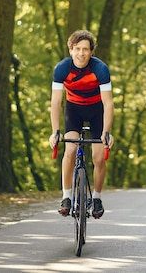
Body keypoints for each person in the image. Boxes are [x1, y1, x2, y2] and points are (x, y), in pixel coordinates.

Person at [49, 30, 114, 219]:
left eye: (85, 49)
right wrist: (55, 132)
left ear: (92, 51)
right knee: (70, 150)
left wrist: (107, 132)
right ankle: (66, 197)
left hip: (97, 111)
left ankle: (97, 198)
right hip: (74, 110)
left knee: (99, 158)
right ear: (71, 50)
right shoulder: (61, 69)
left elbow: (108, 103)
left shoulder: (100, 69)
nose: (81, 53)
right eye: (77, 49)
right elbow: (55, 103)